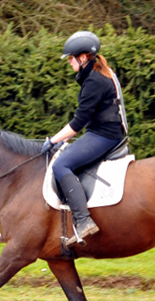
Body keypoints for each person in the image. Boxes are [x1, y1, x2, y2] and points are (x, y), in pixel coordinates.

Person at [41, 31, 128, 247]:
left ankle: (83, 221)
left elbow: (77, 124)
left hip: (104, 135)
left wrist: (53, 140)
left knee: (61, 165)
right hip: (105, 131)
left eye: (71, 58)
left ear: (83, 57)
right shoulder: (102, 73)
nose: (69, 62)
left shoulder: (94, 81)